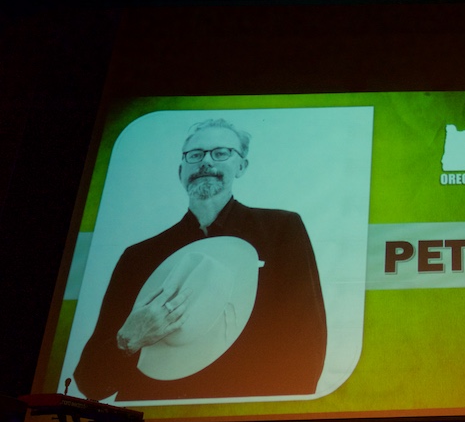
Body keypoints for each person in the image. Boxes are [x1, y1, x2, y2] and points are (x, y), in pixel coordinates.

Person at [74, 118, 327, 401]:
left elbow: (307, 340)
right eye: (195, 155)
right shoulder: (138, 257)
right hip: (156, 416)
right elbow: (90, 383)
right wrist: (127, 341)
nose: (205, 162)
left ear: (241, 166)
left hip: (248, 412)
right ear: (181, 171)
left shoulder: (281, 229)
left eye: (221, 153)